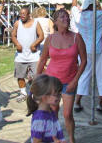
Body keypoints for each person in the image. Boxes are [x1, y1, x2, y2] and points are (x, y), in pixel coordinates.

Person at [36, 8, 86, 143]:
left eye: (67, 17)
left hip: (69, 81)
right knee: (53, 112)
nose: (66, 19)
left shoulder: (77, 37)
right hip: (52, 82)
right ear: (55, 22)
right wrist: (37, 79)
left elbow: (84, 61)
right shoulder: (50, 38)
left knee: (67, 114)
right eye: (62, 17)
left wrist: (75, 81)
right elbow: (42, 60)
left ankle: (71, 139)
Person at [12, 7, 44, 102]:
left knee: (37, 76)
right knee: (20, 75)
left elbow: (41, 35)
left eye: (24, 14)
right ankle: (23, 93)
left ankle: (35, 94)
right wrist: (17, 44)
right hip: (20, 55)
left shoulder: (35, 23)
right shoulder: (17, 23)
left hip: (33, 55)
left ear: (29, 14)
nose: (21, 15)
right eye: (20, 13)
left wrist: (34, 44)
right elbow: (13, 35)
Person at [27, 74, 66, 143]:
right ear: (44, 97)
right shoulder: (40, 119)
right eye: (56, 94)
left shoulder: (49, 112)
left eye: (59, 93)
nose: (59, 96)